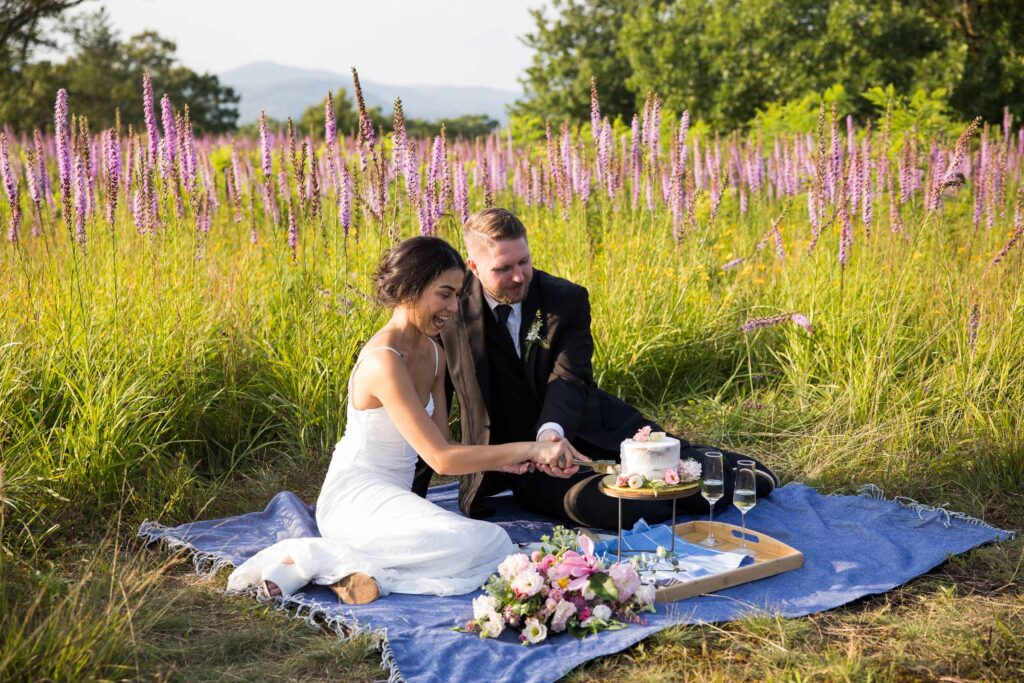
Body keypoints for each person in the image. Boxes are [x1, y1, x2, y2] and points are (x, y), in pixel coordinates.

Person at [227, 236, 581, 604]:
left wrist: (510, 460)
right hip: (354, 500)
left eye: (458, 295)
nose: (453, 307)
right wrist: (532, 447)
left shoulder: (433, 353)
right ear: (411, 287)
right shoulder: (384, 361)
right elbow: (440, 458)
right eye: (444, 294)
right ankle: (311, 556)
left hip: (396, 499)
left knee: (487, 544)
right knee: (487, 543)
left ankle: (364, 574)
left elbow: (445, 446)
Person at [420, 208, 779, 530]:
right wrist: (409, 498)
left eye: (523, 262)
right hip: (511, 460)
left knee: (663, 465)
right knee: (598, 507)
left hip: (586, 426)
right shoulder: (448, 309)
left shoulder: (566, 298)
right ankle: (685, 476)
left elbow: (569, 377)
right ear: (474, 267)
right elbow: (427, 399)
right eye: (503, 268)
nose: (518, 277)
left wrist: (551, 434)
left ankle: (721, 473)